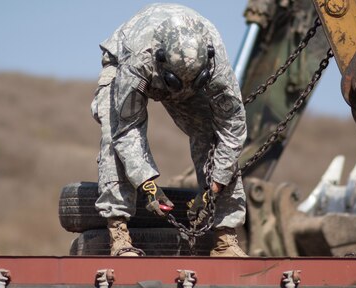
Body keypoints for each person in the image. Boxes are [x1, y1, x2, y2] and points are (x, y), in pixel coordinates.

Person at [91, 3, 247, 257]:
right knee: (113, 132)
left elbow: (232, 126)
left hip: (190, 78)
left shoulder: (215, 61)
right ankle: (118, 232)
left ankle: (225, 239)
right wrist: (147, 184)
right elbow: (127, 129)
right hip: (125, 64)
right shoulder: (138, 61)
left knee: (212, 134)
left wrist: (215, 184)